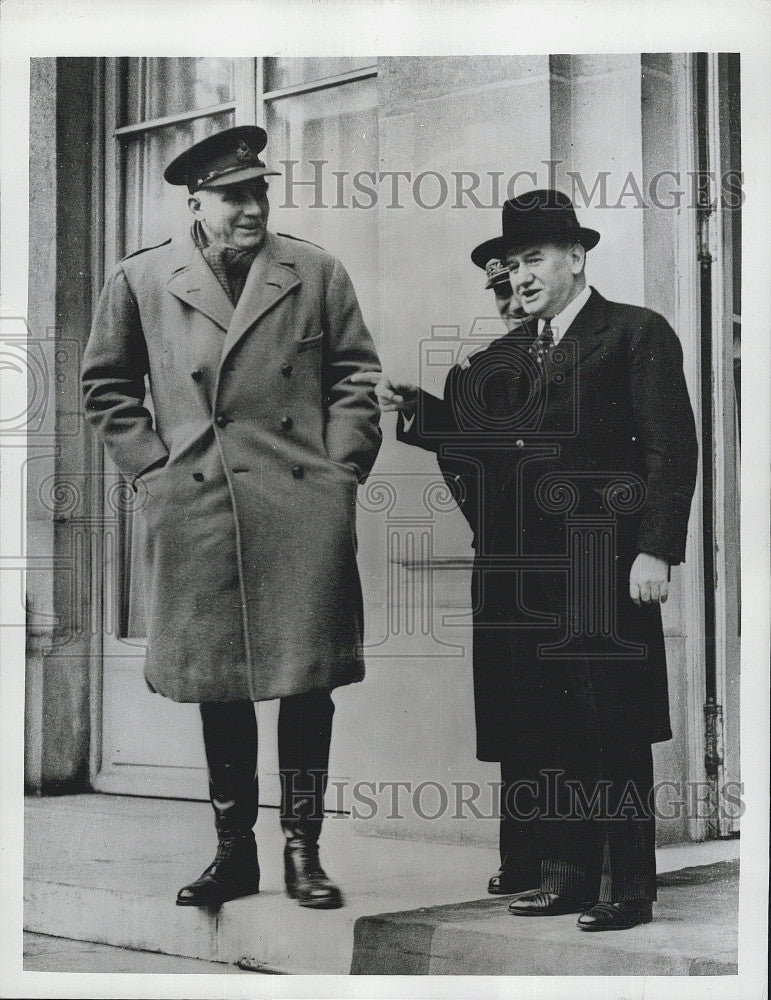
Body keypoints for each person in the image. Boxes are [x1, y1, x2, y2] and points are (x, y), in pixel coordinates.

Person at [352, 189, 697, 931]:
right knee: (543, 727)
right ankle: (564, 879)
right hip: (520, 577)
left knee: (613, 728)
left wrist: (655, 550)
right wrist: (420, 412)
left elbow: (671, 448)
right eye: (511, 264)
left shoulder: (634, 334)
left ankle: (628, 888)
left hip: (603, 567)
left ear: (576, 256)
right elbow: (484, 452)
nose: (522, 275)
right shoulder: (502, 357)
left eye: (534, 257)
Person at [82, 125, 382, 910]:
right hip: (201, 506)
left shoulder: (314, 271)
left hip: (299, 506)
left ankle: (302, 853)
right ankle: (232, 853)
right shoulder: (143, 279)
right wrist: (156, 473)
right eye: (234, 196)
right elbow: (107, 389)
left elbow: (355, 375)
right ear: (197, 202)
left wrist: (339, 469)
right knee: (220, 683)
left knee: (306, 681)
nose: (253, 208)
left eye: (260, 192)